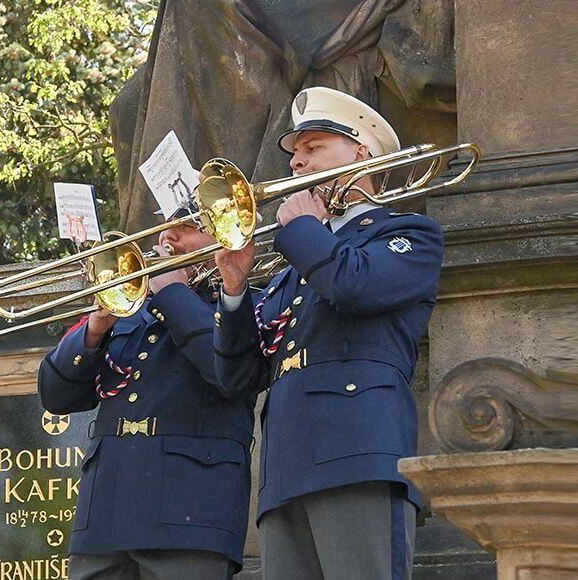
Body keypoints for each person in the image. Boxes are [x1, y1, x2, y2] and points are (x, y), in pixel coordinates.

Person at [214, 86, 441, 580]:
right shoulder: (291, 265)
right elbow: (237, 377)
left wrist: (303, 230)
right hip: (284, 471)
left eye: (312, 147)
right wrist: (234, 289)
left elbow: (353, 285)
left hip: (357, 456)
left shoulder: (409, 234)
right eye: (295, 152)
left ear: (360, 152)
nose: (296, 163)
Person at [36, 211, 257, 579]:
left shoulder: (241, 304)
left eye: (187, 228)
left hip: (190, 515)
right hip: (104, 515)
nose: (169, 238)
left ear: (225, 235)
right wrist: (95, 328)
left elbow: (228, 372)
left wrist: (173, 291)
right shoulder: (132, 313)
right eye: (168, 227)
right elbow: (55, 395)